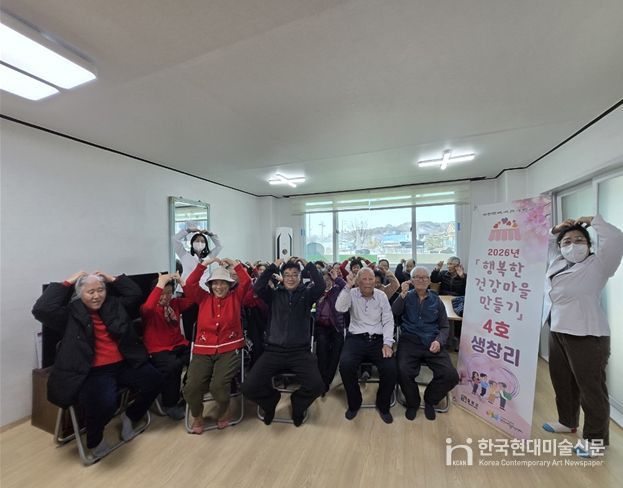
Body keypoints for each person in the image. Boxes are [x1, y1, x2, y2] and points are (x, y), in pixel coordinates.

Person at [32, 271, 162, 458]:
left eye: (101, 290)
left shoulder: (114, 305)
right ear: (80, 294)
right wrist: (69, 281)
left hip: (124, 363)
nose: (97, 296)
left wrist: (112, 278)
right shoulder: (70, 314)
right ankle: (95, 440)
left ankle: (130, 416)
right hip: (94, 371)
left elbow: (135, 294)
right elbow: (42, 309)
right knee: (105, 404)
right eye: (90, 292)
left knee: (155, 380)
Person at [542, 215, 623, 453]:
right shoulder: (558, 262)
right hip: (557, 329)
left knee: (591, 388)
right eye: (567, 241)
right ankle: (567, 422)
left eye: (579, 240)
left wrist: (593, 220)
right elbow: (546, 243)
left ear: (589, 244)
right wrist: (556, 229)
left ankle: (596, 440)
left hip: (587, 334)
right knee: (562, 381)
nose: (572, 245)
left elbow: (616, 238)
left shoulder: (599, 264)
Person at [241, 257, 325, 427]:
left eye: (295, 274)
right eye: (287, 275)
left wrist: (307, 264)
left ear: (300, 277)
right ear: (282, 277)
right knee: (248, 387)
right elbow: (257, 287)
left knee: (317, 386)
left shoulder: (306, 295)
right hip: (273, 351)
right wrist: (273, 267)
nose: (291, 278)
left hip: (299, 352)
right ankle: (270, 401)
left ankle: (298, 404)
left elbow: (321, 286)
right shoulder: (273, 295)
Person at [182, 258, 251, 433]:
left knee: (218, 385)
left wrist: (236, 264)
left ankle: (224, 409)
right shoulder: (203, 298)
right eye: (215, 283)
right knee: (191, 386)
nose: (219, 287)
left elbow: (246, 281)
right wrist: (204, 264)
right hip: (203, 350)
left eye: (223, 283)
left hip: (230, 348)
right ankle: (197, 414)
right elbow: (189, 285)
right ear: (210, 285)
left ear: (229, 285)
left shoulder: (236, 298)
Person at [392, 267, 459, 421]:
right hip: (410, 340)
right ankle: (413, 402)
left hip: (432, 341)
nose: (421, 280)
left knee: (450, 375)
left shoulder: (437, 300)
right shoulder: (406, 296)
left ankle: (430, 400)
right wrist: (401, 294)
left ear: (429, 280)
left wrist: (439, 341)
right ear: (412, 280)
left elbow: (444, 326)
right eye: (417, 277)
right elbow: (394, 312)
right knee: (402, 370)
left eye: (425, 277)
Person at [335, 268, 397, 423]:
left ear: (375, 281)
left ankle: (383, 405)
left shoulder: (381, 295)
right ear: (358, 281)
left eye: (371, 279)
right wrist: (347, 287)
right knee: (345, 366)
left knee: (390, 368)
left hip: (378, 340)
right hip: (355, 339)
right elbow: (340, 308)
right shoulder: (351, 293)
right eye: (364, 279)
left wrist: (387, 343)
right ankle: (354, 403)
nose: (368, 282)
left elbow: (388, 320)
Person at [140, 272, 193, 420]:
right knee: (173, 367)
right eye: (162, 293)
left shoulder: (175, 304)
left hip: (178, 344)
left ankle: (187, 391)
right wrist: (160, 284)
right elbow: (148, 308)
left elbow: (192, 299)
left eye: (169, 293)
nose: (165, 297)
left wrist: (182, 281)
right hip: (158, 349)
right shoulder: (148, 308)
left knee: (199, 356)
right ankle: (170, 404)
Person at [314, 267, 346, 394]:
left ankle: (326, 381)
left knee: (336, 352)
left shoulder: (337, 290)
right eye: (323, 279)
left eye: (328, 279)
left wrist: (337, 278)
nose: (326, 282)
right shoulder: (317, 291)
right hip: (321, 326)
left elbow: (347, 288)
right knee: (322, 350)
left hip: (336, 326)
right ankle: (323, 381)